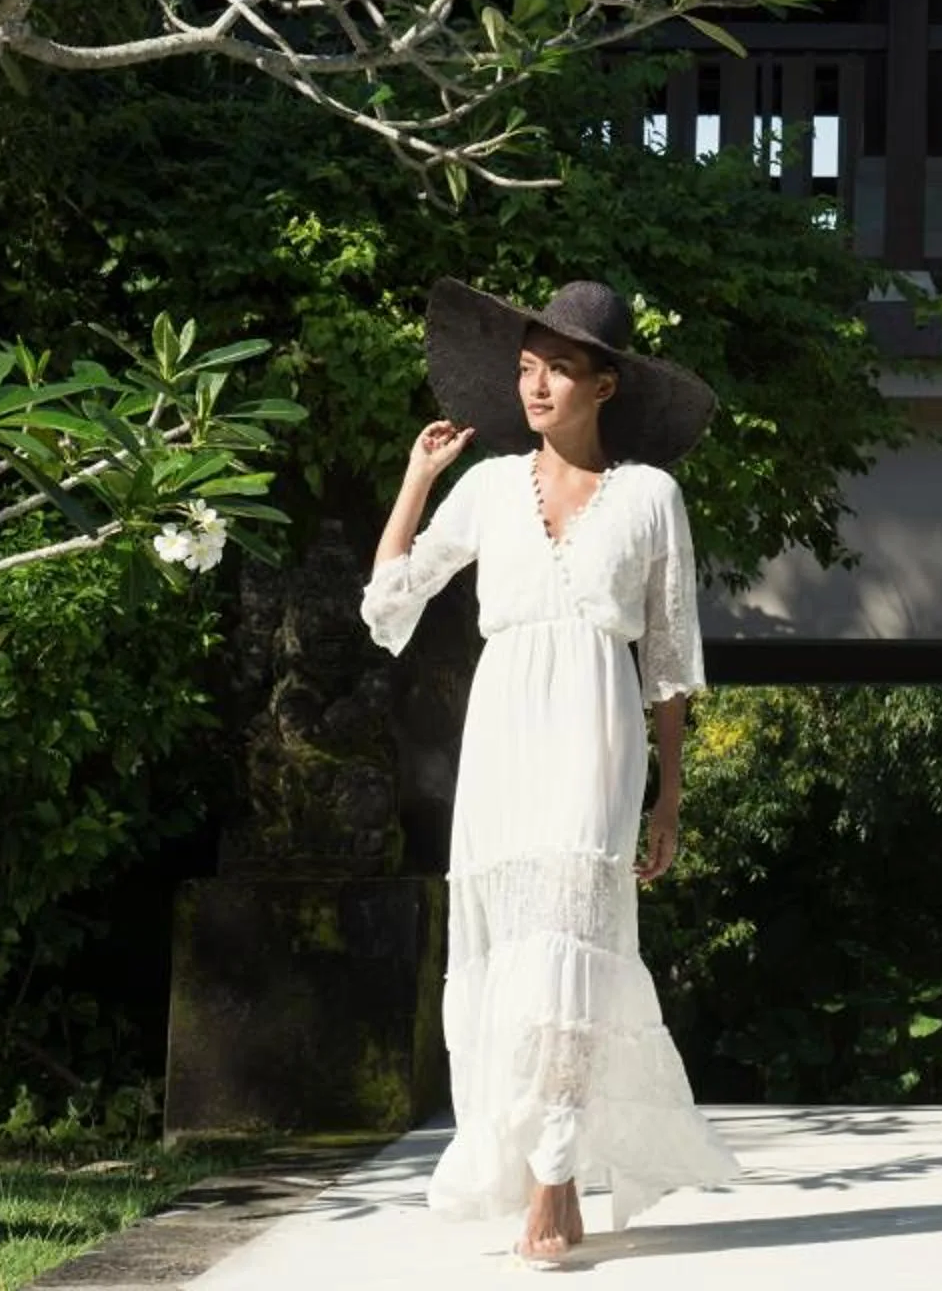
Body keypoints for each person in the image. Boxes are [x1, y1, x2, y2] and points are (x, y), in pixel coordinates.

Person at [363, 278, 741, 1270]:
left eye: (558, 368)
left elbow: (667, 662)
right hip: (504, 734)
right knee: (519, 940)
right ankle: (553, 1171)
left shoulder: (654, 496)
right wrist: (415, 476)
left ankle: (553, 1172)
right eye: (526, 367)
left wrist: (670, 793)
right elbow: (390, 602)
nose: (534, 385)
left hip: (597, 726)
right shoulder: (487, 487)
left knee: (573, 932)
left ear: (604, 384)